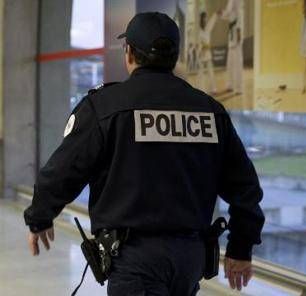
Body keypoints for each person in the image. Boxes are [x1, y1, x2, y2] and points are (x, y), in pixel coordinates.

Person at [24, 12, 265, 295]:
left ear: (129, 53)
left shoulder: (104, 108)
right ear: (174, 57)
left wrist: (40, 216)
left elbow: (64, 170)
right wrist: (241, 247)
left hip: (134, 260)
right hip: (190, 258)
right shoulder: (209, 111)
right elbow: (244, 188)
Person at [219, 0, 243, 96]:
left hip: (236, 32)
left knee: (237, 62)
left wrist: (222, 12)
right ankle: (230, 85)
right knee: (230, 62)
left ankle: (239, 87)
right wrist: (222, 14)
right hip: (232, 34)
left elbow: (228, 12)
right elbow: (227, 15)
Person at [197, 11, 218, 95]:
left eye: (206, 17)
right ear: (201, 19)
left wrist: (215, 14)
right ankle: (200, 90)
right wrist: (201, 49)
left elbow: (212, 22)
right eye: (204, 17)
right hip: (202, 54)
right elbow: (199, 43)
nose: (205, 19)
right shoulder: (200, 31)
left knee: (210, 71)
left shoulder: (208, 28)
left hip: (208, 53)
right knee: (201, 73)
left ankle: (213, 89)